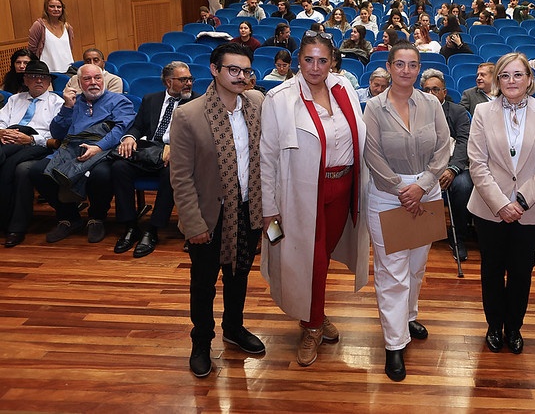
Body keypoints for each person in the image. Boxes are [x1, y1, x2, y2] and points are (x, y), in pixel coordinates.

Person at [260, 30, 370, 367]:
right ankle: (311, 325)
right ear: (298, 61)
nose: (315, 67)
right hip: (302, 192)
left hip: (344, 187)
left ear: (332, 62)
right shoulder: (279, 98)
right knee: (312, 260)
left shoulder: (344, 87)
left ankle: (316, 315)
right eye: (308, 59)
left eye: (322, 60)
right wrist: (269, 209)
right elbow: (266, 157)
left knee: (323, 256)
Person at [170, 42, 266, 378]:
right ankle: (201, 342)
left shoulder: (256, 103)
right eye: (233, 70)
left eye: (246, 71)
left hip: (248, 209)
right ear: (214, 70)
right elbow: (181, 176)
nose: (241, 77)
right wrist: (193, 223)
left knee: (239, 275)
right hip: (210, 215)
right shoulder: (188, 114)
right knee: (204, 282)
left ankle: (234, 328)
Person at [363, 41, 450, 381]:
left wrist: (422, 185)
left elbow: (443, 147)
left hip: (426, 193)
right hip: (389, 195)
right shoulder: (374, 107)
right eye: (399, 64)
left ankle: (408, 317)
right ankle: (394, 343)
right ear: (389, 67)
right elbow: (372, 154)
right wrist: (402, 189)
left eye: (412, 64)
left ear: (418, 68)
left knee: (416, 266)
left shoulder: (431, 103)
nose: (406, 70)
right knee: (392, 273)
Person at [467, 53, 535, 354]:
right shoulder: (483, 111)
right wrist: (501, 204)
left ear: (529, 79)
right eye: (505, 75)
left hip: (530, 209)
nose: (511, 81)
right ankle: (494, 326)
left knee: (521, 272)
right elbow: (477, 164)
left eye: (518, 74)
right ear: (497, 80)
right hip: (489, 208)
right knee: (491, 271)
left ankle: (514, 327)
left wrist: (520, 201)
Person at [29, 63, 136, 244]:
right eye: (87, 79)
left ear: (103, 80)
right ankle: (69, 217)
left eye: (97, 78)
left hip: (104, 150)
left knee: (101, 174)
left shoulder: (119, 101)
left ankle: (96, 218)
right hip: (71, 149)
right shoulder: (73, 102)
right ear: (79, 83)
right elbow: (57, 133)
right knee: (37, 171)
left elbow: (121, 129)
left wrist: (99, 147)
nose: (93, 82)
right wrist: (67, 108)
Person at [112, 61, 198, 258]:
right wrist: (129, 137)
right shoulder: (151, 99)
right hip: (150, 151)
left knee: (171, 172)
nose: (189, 83)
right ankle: (130, 226)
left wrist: (177, 149)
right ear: (168, 82)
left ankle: (152, 229)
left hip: (175, 154)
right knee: (119, 167)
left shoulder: (197, 102)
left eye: (190, 79)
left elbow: (200, 136)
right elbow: (138, 126)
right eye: (183, 80)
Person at [0, 60, 64, 248]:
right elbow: (1, 121)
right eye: (33, 77)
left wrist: (30, 139)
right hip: (8, 141)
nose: (38, 80)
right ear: (25, 80)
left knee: (21, 170)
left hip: (37, 145)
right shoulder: (14, 99)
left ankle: (16, 227)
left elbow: (56, 136)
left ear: (49, 81)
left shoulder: (57, 103)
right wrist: (2, 133)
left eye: (43, 77)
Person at [420, 69, 473, 262]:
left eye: (435, 89)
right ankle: (417, 233)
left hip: (454, 165)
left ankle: (458, 236)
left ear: (444, 92)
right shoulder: (414, 111)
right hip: (424, 166)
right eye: (427, 90)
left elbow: (464, 141)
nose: (431, 93)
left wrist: (452, 169)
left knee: (463, 186)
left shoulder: (458, 111)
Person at [28, 0, 74, 73]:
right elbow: (32, 49)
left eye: (59, 7)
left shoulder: (67, 26)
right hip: (47, 70)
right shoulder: (39, 25)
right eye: (52, 6)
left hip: (68, 70)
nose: (56, 9)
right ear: (46, 8)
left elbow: (70, 47)